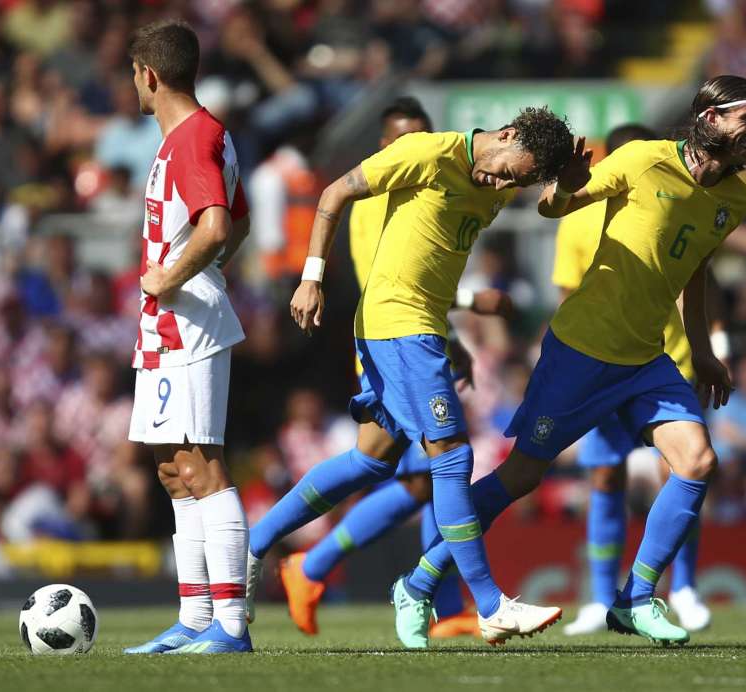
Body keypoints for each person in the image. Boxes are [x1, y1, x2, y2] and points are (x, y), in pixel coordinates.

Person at [394, 75, 746, 647]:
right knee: (520, 477)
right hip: (582, 353)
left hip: (647, 358)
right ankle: (417, 583)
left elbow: (696, 270)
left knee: (697, 461)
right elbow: (550, 207)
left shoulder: (735, 198)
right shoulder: (642, 161)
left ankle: (635, 597)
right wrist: (566, 187)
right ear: (712, 119)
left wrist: (706, 352)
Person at [247, 105, 576, 648]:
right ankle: (485, 604)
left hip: (419, 328)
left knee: (372, 459)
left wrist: (563, 186)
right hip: (399, 324)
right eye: (509, 171)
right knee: (450, 458)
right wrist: (311, 280)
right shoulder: (426, 154)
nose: (502, 183)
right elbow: (332, 194)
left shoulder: (493, 183)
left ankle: (253, 546)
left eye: (515, 181)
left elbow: (432, 263)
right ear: (508, 134)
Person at [121, 20, 253, 655]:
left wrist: (171, 278)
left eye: (134, 75)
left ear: (148, 74)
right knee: (173, 469)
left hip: (186, 321)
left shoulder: (192, 139)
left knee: (202, 465)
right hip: (167, 322)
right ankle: (196, 618)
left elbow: (219, 226)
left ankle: (230, 627)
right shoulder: (197, 135)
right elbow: (241, 225)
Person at [558, 124, 715, 636]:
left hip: (667, 359)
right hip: (602, 362)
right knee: (605, 476)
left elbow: (696, 280)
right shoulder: (578, 217)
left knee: (683, 470)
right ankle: (602, 597)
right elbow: (567, 294)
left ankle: (683, 587)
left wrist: (707, 348)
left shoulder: (678, 206)